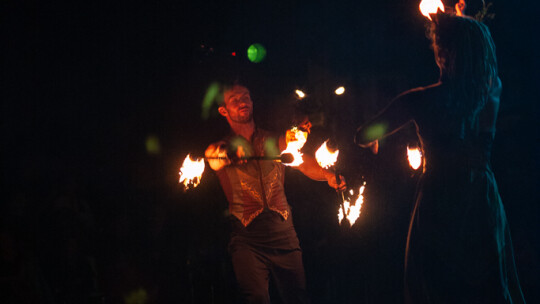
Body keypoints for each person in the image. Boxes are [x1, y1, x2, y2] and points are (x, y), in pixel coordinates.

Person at [354, 11, 526, 304]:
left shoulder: (418, 100)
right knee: (484, 286)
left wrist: (372, 140)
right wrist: (458, 25)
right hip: (480, 196)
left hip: (441, 197)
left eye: (438, 46)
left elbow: (363, 134)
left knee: (437, 285)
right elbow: (472, 58)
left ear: (443, 53)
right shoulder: (492, 91)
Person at [205, 84, 346, 303]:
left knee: (297, 298)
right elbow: (213, 157)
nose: (242, 102)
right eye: (235, 99)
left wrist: (327, 176)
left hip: (284, 236)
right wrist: (230, 152)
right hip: (247, 240)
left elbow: (299, 161)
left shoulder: (273, 140)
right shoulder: (221, 146)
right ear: (224, 110)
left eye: (246, 97)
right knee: (257, 298)